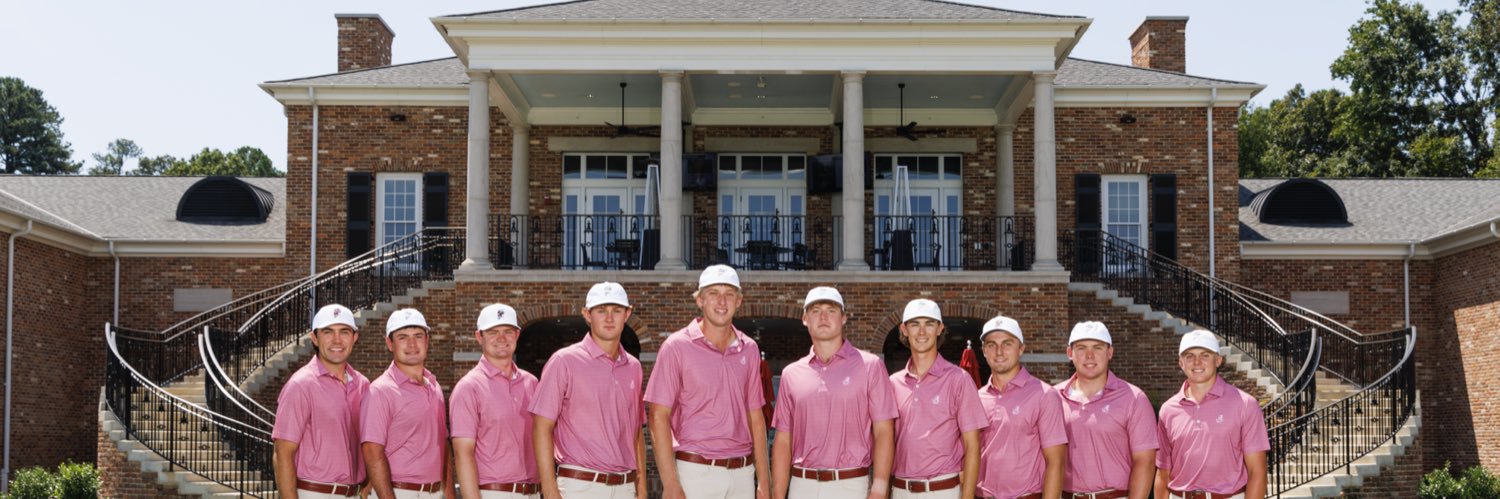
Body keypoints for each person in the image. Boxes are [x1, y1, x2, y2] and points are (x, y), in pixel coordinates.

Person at [645, 265, 769, 499]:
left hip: (742, 475)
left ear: (739, 301)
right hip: (695, 473)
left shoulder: (750, 349)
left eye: (729, 294)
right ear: (700, 300)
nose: (722, 301)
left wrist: (763, 480)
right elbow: (658, 416)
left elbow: (756, 416)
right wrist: (670, 484)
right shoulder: (676, 347)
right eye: (713, 293)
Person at [772, 286, 898, 499]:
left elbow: (884, 431)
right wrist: (777, 494)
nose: (823, 317)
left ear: (843, 318)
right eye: (815, 311)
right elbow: (783, 440)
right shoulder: (790, 374)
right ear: (805, 319)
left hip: (851, 485)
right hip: (802, 486)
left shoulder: (870, 366)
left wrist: (880, 485)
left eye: (831, 310)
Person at [530, 282, 647, 499]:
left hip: (626, 487)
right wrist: (550, 492)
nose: (609, 318)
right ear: (587, 314)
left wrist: (641, 489)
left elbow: (636, 431)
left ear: (627, 314)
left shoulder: (634, 367)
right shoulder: (563, 361)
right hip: (580, 487)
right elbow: (541, 428)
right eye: (601, 311)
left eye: (617, 310)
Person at [888, 299, 986, 499]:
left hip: (944, 492)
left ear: (940, 328)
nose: (922, 332)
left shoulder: (959, 379)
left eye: (929, 324)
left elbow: (973, 446)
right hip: (900, 491)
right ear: (904, 330)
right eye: (915, 324)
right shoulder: (891, 383)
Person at [1154, 330, 1269, 499]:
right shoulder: (1168, 410)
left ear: (1218, 360)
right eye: (1189, 356)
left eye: (1205, 355)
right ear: (1181, 363)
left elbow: (1257, 472)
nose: (1197, 362)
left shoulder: (1245, 404)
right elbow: (1163, 474)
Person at [273, 304, 371, 498]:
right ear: (315, 338)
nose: (337, 340)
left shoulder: (363, 385)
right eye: (328, 332)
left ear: (355, 337)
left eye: (344, 332)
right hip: (314, 493)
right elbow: (282, 454)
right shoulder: (300, 386)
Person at [1053, 322, 1157, 499]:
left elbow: (1145, 461)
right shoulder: (1053, 398)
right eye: (1081, 348)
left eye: (1098, 348)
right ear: (1069, 353)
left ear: (1110, 353)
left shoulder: (1134, 398)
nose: (1089, 355)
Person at [362, 308, 454, 499]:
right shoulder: (380, 391)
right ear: (390, 343)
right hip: (399, 492)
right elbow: (372, 452)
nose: (412, 344)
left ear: (427, 340)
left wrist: (449, 494)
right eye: (403, 337)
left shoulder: (434, 387)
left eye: (418, 336)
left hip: (434, 493)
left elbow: (442, 446)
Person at [451, 303, 540, 498]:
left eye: (508, 331)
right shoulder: (468, 388)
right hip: (493, 493)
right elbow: (463, 454)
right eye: (493, 332)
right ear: (479, 337)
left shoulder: (531, 383)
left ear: (517, 335)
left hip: (533, 492)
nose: (501, 338)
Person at [975, 315, 1066, 499]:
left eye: (1007, 344)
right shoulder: (977, 397)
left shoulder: (1044, 395)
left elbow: (1055, 463)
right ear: (984, 351)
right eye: (991, 345)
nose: (999, 351)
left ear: (1021, 349)